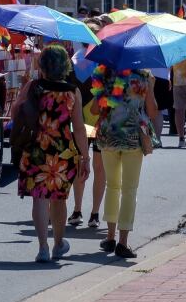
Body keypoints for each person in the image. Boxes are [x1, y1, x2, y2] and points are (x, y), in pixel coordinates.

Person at [13, 45, 90, 262]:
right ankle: (58, 243)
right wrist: (85, 156)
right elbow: (79, 127)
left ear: (43, 65)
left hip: (35, 148)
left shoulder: (33, 86)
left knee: (39, 198)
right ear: (65, 65)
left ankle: (42, 247)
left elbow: (15, 113)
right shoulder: (72, 91)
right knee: (59, 199)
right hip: (62, 152)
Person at [91, 65, 158, 258]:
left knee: (112, 186)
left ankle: (110, 237)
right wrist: (150, 87)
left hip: (108, 137)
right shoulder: (144, 77)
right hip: (132, 139)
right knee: (129, 190)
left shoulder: (104, 74)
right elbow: (152, 113)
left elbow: (96, 109)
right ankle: (123, 242)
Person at [68, 20, 105, 229]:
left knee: (81, 163)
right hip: (93, 121)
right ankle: (90, 212)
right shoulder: (104, 62)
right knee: (95, 167)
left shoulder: (72, 62)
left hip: (82, 121)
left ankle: (82, 211)